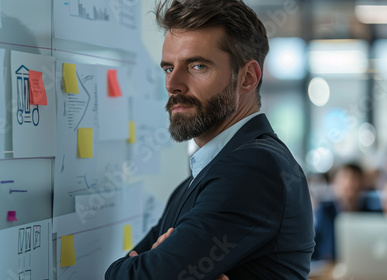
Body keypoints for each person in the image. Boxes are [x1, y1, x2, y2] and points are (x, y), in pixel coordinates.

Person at [105, 0, 315, 279]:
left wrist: (143, 264)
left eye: (197, 66)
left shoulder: (254, 168)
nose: (172, 84)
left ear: (248, 78)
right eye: (168, 68)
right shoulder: (194, 182)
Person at [312, 163, 364, 261]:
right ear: (334, 183)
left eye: (354, 179)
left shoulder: (369, 214)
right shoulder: (324, 212)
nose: (349, 183)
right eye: (344, 178)